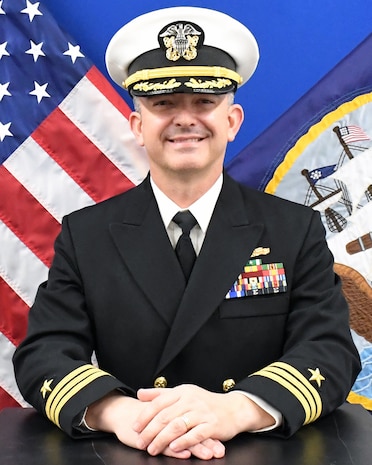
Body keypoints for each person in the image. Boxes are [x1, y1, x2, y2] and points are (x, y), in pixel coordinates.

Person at [13, 6, 360, 461]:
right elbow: (43, 352)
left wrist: (236, 409)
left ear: (232, 121)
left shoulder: (294, 230)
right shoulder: (87, 235)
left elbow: (330, 349)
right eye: (162, 104)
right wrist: (120, 413)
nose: (184, 118)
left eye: (203, 102)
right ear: (138, 126)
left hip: (256, 450)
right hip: (136, 447)